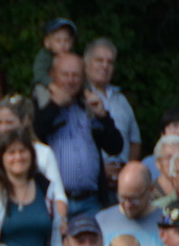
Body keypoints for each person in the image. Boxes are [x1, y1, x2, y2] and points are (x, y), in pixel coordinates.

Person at [35, 54, 124, 219]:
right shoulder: (40, 102)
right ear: (53, 75)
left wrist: (103, 116)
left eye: (75, 75)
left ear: (83, 78)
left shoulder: (89, 106)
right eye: (65, 74)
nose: (70, 80)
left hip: (91, 201)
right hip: (54, 201)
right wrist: (54, 105)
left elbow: (116, 146)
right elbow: (36, 131)